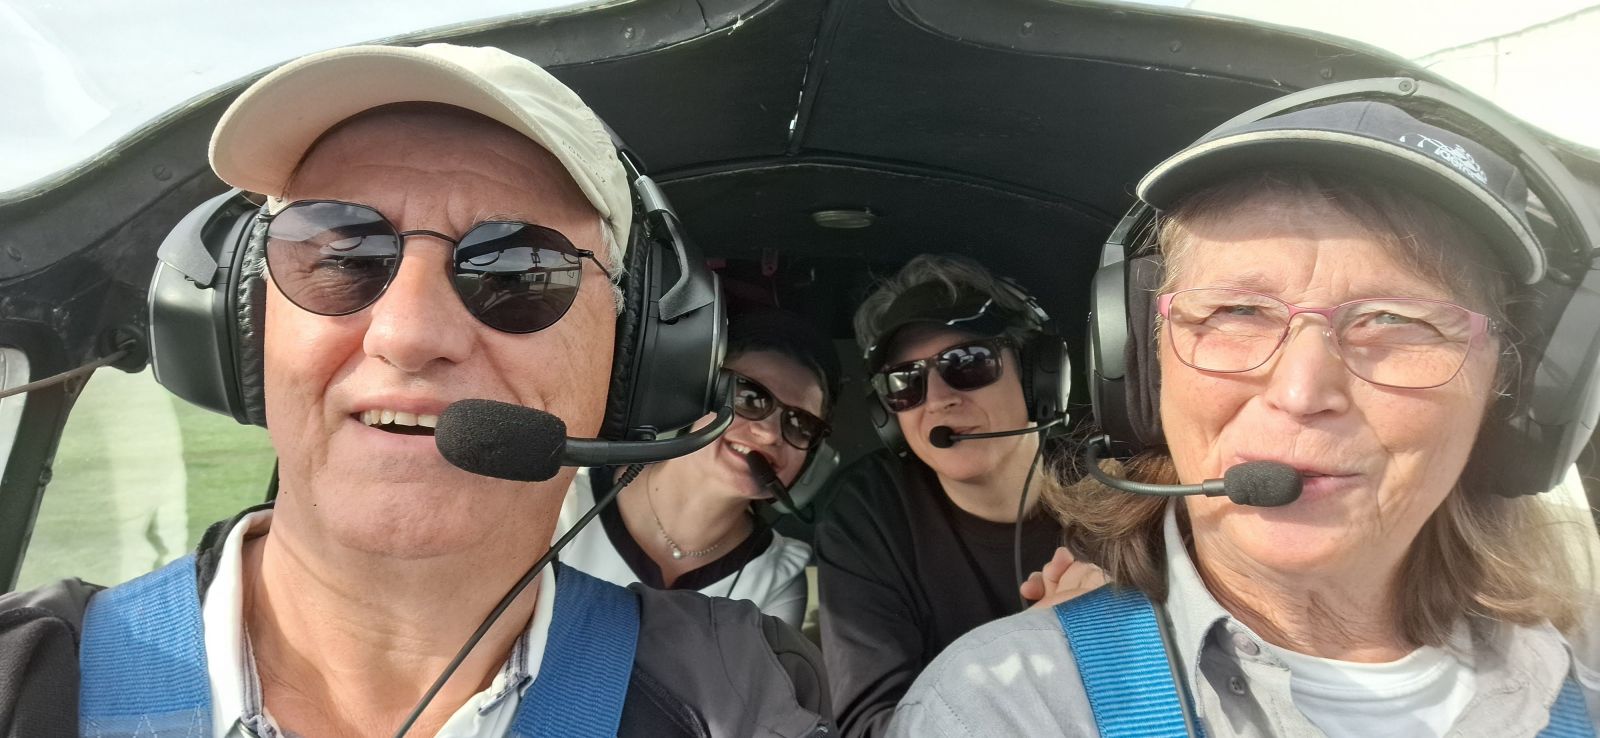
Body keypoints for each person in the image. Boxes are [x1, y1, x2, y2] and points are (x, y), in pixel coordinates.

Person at [0, 44, 831, 738]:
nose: (406, 332)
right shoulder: (23, 677)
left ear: (638, 354)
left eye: (517, 268)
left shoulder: (738, 695)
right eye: (340, 253)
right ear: (242, 323)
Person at [890, 97, 1599, 736]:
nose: (1299, 390)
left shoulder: (1581, 692)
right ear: (1140, 365)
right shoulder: (999, 712)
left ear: (1514, 390)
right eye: (1235, 311)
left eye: (1394, 319)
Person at [814, 254, 1096, 737]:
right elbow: (871, 728)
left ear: (1039, 373)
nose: (939, 398)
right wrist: (1031, 643)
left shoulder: (1115, 491)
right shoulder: (868, 514)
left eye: (968, 362)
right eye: (906, 382)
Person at [558, 310, 838, 627]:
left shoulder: (778, 577)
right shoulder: (562, 504)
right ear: (692, 396)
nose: (770, 434)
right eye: (750, 397)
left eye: (801, 424)